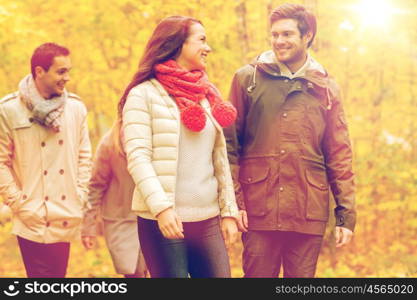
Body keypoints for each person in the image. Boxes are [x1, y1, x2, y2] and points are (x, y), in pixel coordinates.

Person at [224, 3, 356, 277]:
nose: (279, 41)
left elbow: (339, 154)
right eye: (274, 35)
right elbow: (229, 147)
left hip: (307, 212)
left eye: (287, 34)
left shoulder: (326, 88)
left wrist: (345, 215)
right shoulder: (247, 79)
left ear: (307, 36)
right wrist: (234, 204)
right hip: (259, 210)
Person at [119, 15, 239, 278]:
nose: (208, 48)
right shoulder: (143, 94)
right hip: (163, 221)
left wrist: (228, 211)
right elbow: (138, 157)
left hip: (207, 220)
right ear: (177, 44)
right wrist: (161, 208)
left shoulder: (207, 95)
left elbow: (219, 158)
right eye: (202, 40)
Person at [0, 43, 92, 277]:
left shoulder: (75, 109)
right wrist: (19, 203)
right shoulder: (9, 110)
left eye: (68, 71)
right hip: (31, 216)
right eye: (61, 72)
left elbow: (84, 157)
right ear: (39, 71)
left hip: (64, 213)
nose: (67, 78)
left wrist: (78, 194)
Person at [81, 121, 148, 278]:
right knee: (134, 274)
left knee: (151, 271)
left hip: (151, 218)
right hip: (120, 221)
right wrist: (88, 227)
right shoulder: (109, 144)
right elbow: (95, 187)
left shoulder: (151, 137)